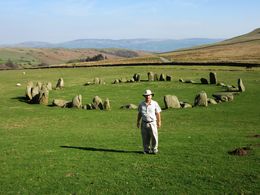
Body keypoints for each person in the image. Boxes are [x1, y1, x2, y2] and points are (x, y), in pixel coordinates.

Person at [137, 89, 162, 154]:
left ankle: (154, 149)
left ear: (151, 96)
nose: (147, 97)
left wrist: (159, 122)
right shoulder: (141, 104)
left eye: (149, 95)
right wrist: (138, 122)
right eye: (146, 95)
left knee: (154, 136)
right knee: (145, 137)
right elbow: (139, 113)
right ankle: (146, 149)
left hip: (152, 122)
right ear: (144, 96)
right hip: (144, 122)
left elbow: (158, 113)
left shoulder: (155, 103)